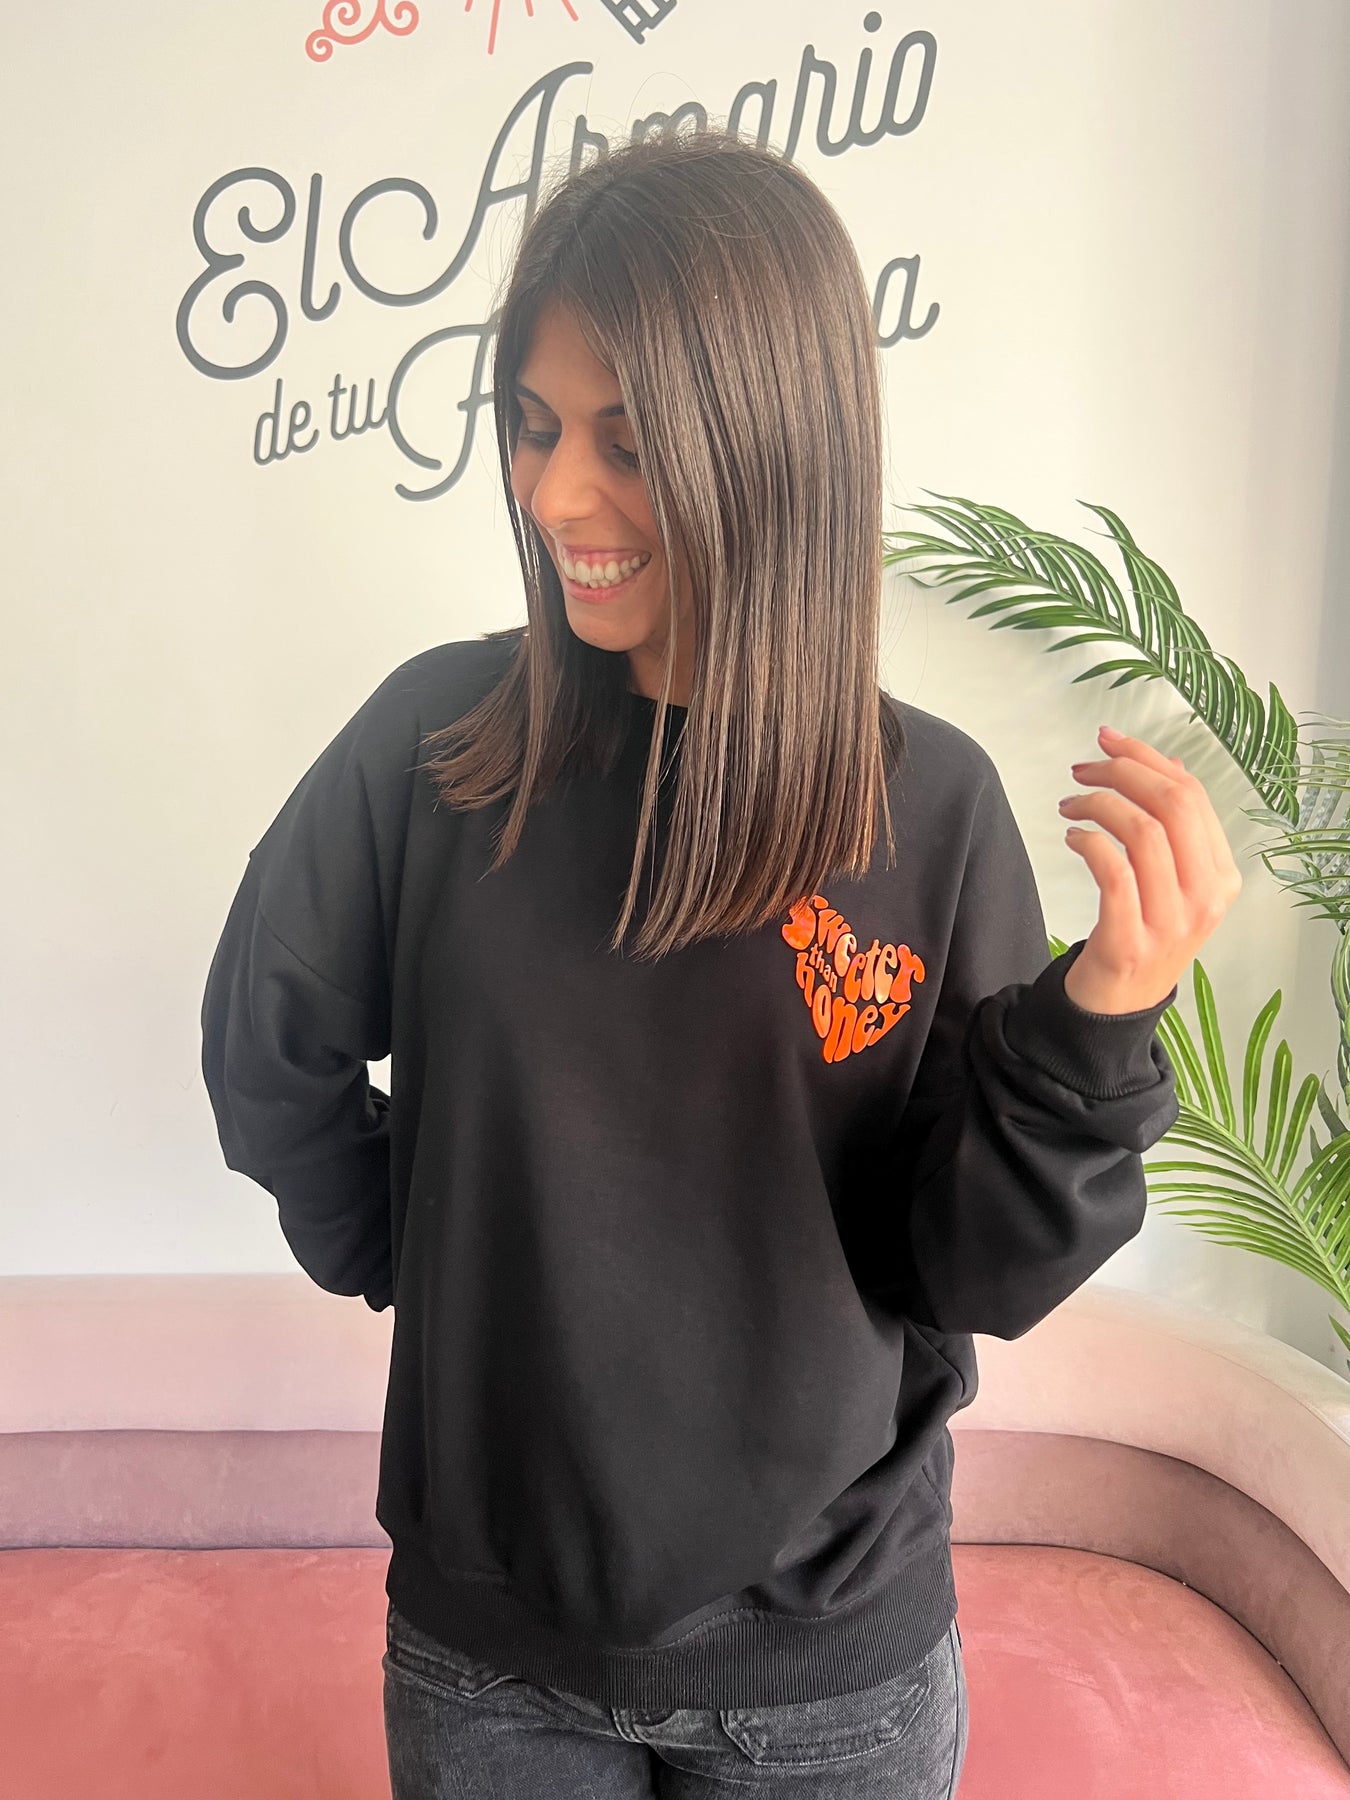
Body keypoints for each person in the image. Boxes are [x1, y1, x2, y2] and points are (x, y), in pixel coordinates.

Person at [201, 125, 1238, 1797]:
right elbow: (270, 1053)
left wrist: (1101, 1018)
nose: (554, 495)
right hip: (489, 1658)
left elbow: (968, 1272)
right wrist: (413, 1248)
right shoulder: (435, 749)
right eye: (532, 425)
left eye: (624, 440)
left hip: (830, 1678)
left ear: (769, 441)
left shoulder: (926, 807)